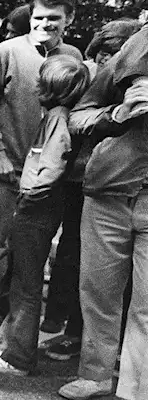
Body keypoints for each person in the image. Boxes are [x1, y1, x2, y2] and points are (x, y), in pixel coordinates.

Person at [0, 0, 82, 340]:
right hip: (6, 167)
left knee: (31, 249)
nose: (44, 25)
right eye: (38, 18)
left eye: (53, 19)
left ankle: (8, 316)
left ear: (68, 20)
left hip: (46, 177)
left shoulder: (73, 55)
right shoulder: (7, 51)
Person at [56, 23, 148, 400]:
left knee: (146, 304)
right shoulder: (127, 56)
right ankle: (94, 374)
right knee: (98, 291)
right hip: (108, 192)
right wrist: (119, 114)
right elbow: (79, 118)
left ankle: (141, 399)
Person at [0, 56, 90, 374]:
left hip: (37, 209)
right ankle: (8, 342)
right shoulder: (57, 115)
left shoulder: (57, 117)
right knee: (21, 280)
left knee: (26, 284)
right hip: (41, 206)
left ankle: (19, 358)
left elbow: (53, 166)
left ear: (53, 88)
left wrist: (29, 196)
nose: (37, 84)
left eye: (43, 80)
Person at [40, 19, 142, 358]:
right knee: (78, 262)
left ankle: (124, 359)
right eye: (103, 53)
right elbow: (78, 118)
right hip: (89, 183)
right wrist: (116, 115)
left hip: (131, 190)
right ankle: (74, 334)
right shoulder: (103, 76)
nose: (107, 60)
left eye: (114, 53)